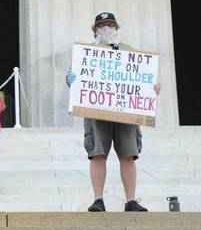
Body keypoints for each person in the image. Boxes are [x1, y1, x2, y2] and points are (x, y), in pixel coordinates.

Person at [66, 12, 161, 212]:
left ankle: (131, 200)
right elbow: (73, 81)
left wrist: (152, 88)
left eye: (110, 25)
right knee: (97, 154)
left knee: (128, 154)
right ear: (96, 30)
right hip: (96, 112)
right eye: (102, 26)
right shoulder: (87, 53)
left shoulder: (130, 51)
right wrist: (71, 79)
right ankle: (98, 199)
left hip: (125, 113)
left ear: (116, 28)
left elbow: (145, 78)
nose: (106, 28)